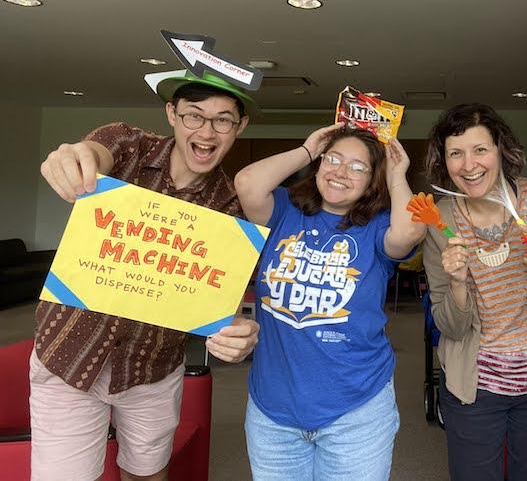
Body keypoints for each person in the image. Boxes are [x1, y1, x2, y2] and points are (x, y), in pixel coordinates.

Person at [35, 70, 261, 481]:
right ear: (172, 114)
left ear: (239, 126)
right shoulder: (127, 145)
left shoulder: (232, 209)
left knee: (147, 474)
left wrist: (235, 332)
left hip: (153, 368)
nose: (207, 131)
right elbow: (95, 152)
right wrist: (73, 159)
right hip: (69, 355)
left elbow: (215, 302)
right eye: (194, 115)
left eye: (223, 119)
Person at [227, 124, 425, 480]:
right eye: (333, 159)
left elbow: (411, 230)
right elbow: (247, 183)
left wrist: (396, 173)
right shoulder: (285, 210)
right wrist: (307, 149)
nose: (341, 171)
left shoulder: (377, 226)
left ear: (371, 181)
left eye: (357, 167)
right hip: (273, 408)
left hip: (356, 408)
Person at [422, 103, 527, 481]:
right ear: (445, 162)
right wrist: (457, 284)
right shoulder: (439, 220)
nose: (468, 164)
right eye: (455, 153)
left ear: (500, 151)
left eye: (480, 150)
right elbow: (449, 325)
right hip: (475, 387)